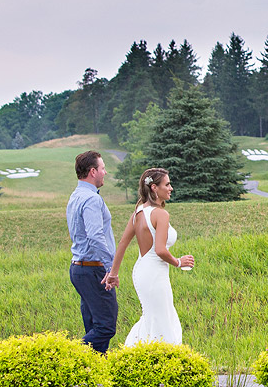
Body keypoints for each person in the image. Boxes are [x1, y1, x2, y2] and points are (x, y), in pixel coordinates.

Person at [105, 167, 194, 345]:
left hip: (141, 271)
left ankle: (137, 356)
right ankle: (163, 361)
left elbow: (122, 243)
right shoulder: (161, 214)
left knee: (153, 318)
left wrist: (113, 274)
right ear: (154, 187)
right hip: (154, 273)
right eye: (167, 184)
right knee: (163, 321)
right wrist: (178, 262)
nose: (171, 188)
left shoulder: (137, 213)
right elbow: (160, 250)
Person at [66, 150, 117, 352]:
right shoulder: (92, 200)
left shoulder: (76, 196)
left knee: (93, 325)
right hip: (93, 269)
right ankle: (69, 356)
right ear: (93, 171)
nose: (105, 172)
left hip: (80, 269)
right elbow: (95, 237)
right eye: (103, 168)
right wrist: (111, 268)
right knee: (106, 326)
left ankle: (93, 376)